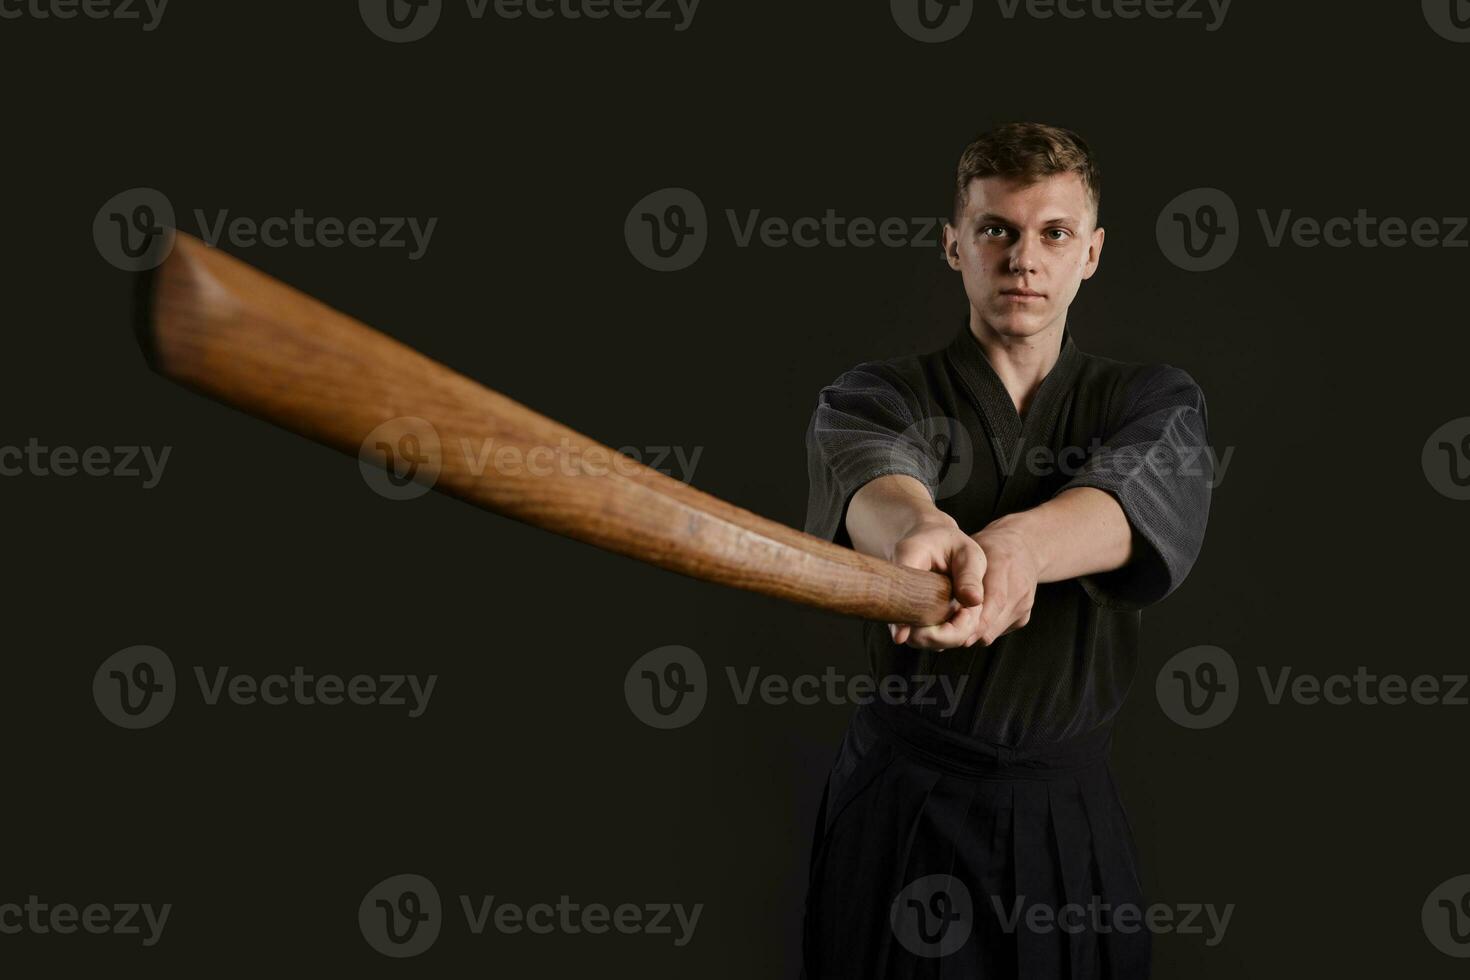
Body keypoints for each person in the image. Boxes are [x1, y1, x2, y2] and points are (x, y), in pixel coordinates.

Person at [800, 121, 1212, 979]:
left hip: (1067, 812)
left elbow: (1129, 498)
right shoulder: (874, 394)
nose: (1024, 258)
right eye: (997, 230)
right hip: (902, 801)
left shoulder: (1152, 400)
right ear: (955, 246)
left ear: (1091, 253)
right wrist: (922, 531)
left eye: (1054, 233)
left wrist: (1018, 547)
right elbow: (877, 479)